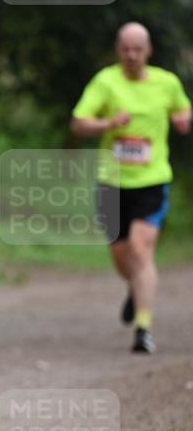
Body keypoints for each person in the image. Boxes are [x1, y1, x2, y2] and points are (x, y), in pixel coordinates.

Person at [71, 22, 191, 353]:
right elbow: (79, 122)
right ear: (117, 50)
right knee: (121, 256)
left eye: (138, 49)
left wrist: (183, 120)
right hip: (112, 183)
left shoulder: (167, 82)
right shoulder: (105, 82)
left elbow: (184, 108)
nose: (132, 55)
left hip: (152, 180)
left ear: (149, 50)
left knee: (141, 249)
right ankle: (135, 288)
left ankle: (143, 327)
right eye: (126, 49)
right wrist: (107, 123)